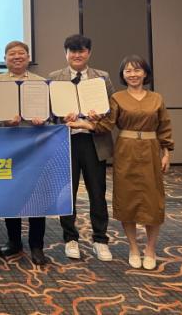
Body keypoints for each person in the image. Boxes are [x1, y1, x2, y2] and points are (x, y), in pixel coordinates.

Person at [67, 55, 173, 270]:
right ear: (123, 75)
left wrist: (166, 153)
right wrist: (83, 124)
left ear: (145, 73)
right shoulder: (117, 98)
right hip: (126, 151)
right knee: (127, 199)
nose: (133, 75)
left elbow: (164, 127)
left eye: (137, 70)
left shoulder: (156, 98)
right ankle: (133, 248)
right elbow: (106, 125)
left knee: (153, 201)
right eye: (128, 71)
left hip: (151, 151)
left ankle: (150, 249)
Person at [49, 34, 115, 261]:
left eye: (82, 51)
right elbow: (49, 115)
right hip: (66, 141)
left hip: (93, 141)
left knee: (97, 192)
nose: (77, 55)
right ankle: (70, 238)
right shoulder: (54, 78)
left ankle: (100, 239)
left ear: (89, 53)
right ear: (66, 53)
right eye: (72, 51)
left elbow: (112, 111)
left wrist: (99, 117)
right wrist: (60, 118)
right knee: (67, 193)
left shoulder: (102, 77)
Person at [0, 41, 48, 265]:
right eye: (12, 54)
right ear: (5, 59)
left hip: (35, 146)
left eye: (21, 53)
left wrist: (44, 119)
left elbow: (51, 113)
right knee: (11, 193)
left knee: (37, 194)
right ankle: (14, 241)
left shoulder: (41, 82)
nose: (17, 57)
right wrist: (1, 120)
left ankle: (37, 245)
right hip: (8, 146)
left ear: (28, 58)